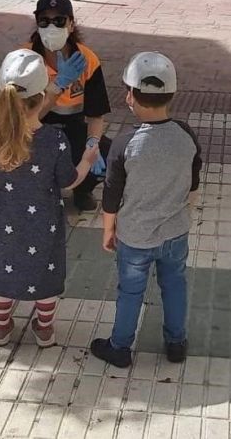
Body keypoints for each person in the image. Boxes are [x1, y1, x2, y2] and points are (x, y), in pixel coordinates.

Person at [0, 49, 98, 347]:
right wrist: (87, 158)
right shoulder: (54, 139)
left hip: (1, 224)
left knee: (2, 270)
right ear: (42, 95)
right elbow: (70, 182)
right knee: (44, 274)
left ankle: (1, 327)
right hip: (43, 225)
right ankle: (44, 329)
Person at [90, 52, 202, 368]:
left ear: (132, 97)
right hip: (176, 232)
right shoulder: (186, 134)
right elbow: (193, 182)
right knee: (175, 285)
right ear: (171, 94)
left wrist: (109, 230)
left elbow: (111, 195)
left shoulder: (125, 144)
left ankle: (121, 347)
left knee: (130, 292)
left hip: (136, 236)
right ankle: (176, 343)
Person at [28, 0, 111, 212]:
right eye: (44, 21)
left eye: (59, 20)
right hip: (35, 129)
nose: (51, 27)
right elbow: (24, 121)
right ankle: (36, 190)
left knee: (109, 152)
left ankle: (82, 189)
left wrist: (93, 145)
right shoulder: (24, 60)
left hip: (72, 127)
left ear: (71, 24)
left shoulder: (87, 60)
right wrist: (58, 86)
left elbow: (96, 114)